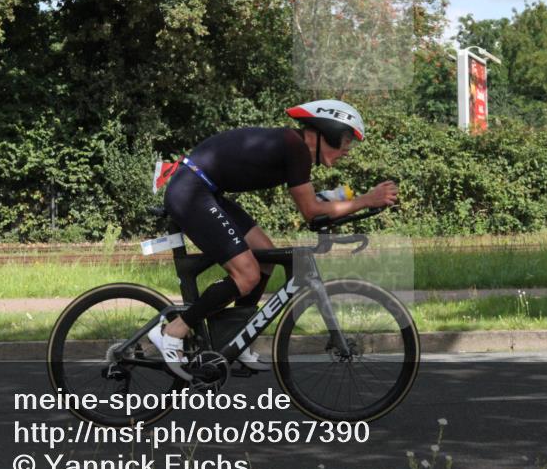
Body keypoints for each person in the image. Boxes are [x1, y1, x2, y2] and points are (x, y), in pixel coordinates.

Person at [148, 100, 398, 379]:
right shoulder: (296, 149)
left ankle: (237, 338)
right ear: (327, 131)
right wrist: (366, 200)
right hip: (191, 192)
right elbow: (311, 211)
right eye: (345, 140)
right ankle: (173, 330)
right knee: (247, 274)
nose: (347, 150)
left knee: (265, 256)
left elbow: (314, 207)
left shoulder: (295, 148)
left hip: (205, 190)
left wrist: (348, 208)